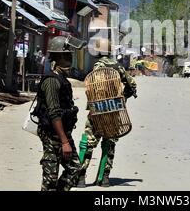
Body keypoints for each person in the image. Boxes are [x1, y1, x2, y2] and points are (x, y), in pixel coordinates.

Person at [77, 38, 137, 188]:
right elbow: (132, 86)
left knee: (88, 143)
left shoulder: (97, 66)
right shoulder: (118, 66)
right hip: (114, 111)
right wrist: (122, 98)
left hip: (97, 110)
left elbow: (92, 87)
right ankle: (103, 179)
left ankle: (80, 178)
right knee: (109, 143)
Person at [32, 36, 81, 191]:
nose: (70, 58)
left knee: (75, 169)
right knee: (50, 179)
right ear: (59, 57)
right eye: (67, 55)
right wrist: (64, 141)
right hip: (53, 134)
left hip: (63, 133)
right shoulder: (52, 81)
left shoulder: (62, 78)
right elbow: (54, 112)